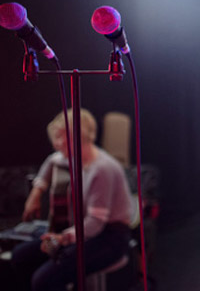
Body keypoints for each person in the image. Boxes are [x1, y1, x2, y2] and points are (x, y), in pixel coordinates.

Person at [11, 108, 134, 291]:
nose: (57, 144)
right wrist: (35, 194)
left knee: (44, 280)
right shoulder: (72, 157)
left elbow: (96, 223)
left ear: (80, 137)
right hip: (83, 230)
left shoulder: (101, 169)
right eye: (56, 137)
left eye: (62, 137)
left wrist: (62, 239)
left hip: (110, 237)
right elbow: (51, 162)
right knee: (20, 256)